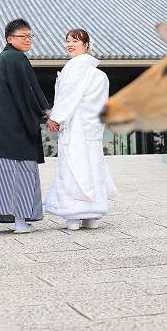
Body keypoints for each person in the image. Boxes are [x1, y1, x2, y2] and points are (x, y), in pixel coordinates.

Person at [0, 19, 50, 234]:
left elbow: (23, 91)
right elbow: (29, 92)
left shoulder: (2, 59)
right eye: (23, 36)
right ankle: (20, 222)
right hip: (14, 128)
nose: (28, 40)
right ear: (9, 39)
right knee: (20, 171)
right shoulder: (16, 58)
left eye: (30, 36)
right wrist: (46, 112)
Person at [44, 29, 117, 230]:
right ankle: (92, 214)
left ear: (87, 45)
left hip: (76, 128)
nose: (70, 44)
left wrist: (56, 118)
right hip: (91, 129)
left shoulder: (74, 69)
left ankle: (73, 215)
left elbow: (69, 98)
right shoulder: (99, 74)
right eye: (67, 40)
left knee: (73, 167)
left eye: (75, 41)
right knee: (92, 167)